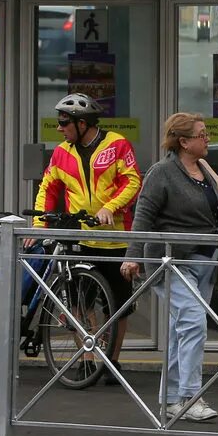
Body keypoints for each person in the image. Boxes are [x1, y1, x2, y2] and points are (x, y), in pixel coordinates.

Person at [123, 112, 218, 422]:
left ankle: (171, 399)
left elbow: (208, 215)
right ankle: (190, 397)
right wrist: (132, 255)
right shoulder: (162, 172)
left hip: (206, 260)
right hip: (171, 260)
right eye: (202, 134)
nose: (207, 138)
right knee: (193, 323)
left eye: (207, 132)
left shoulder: (205, 169)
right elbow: (143, 215)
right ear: (183, 141)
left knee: (182, 329)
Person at [34, 92, 142, 371]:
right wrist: (38, 226)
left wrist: (111, 207)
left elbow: (132, 182)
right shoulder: (61, 152)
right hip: (79, 237)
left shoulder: (116, 143)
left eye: (64, 123)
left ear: (83, 123)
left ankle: (112, 362)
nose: (59, 128)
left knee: (117, 305)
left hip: (115, 237)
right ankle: (88, 357)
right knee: (80, 302)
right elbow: (48, 188)